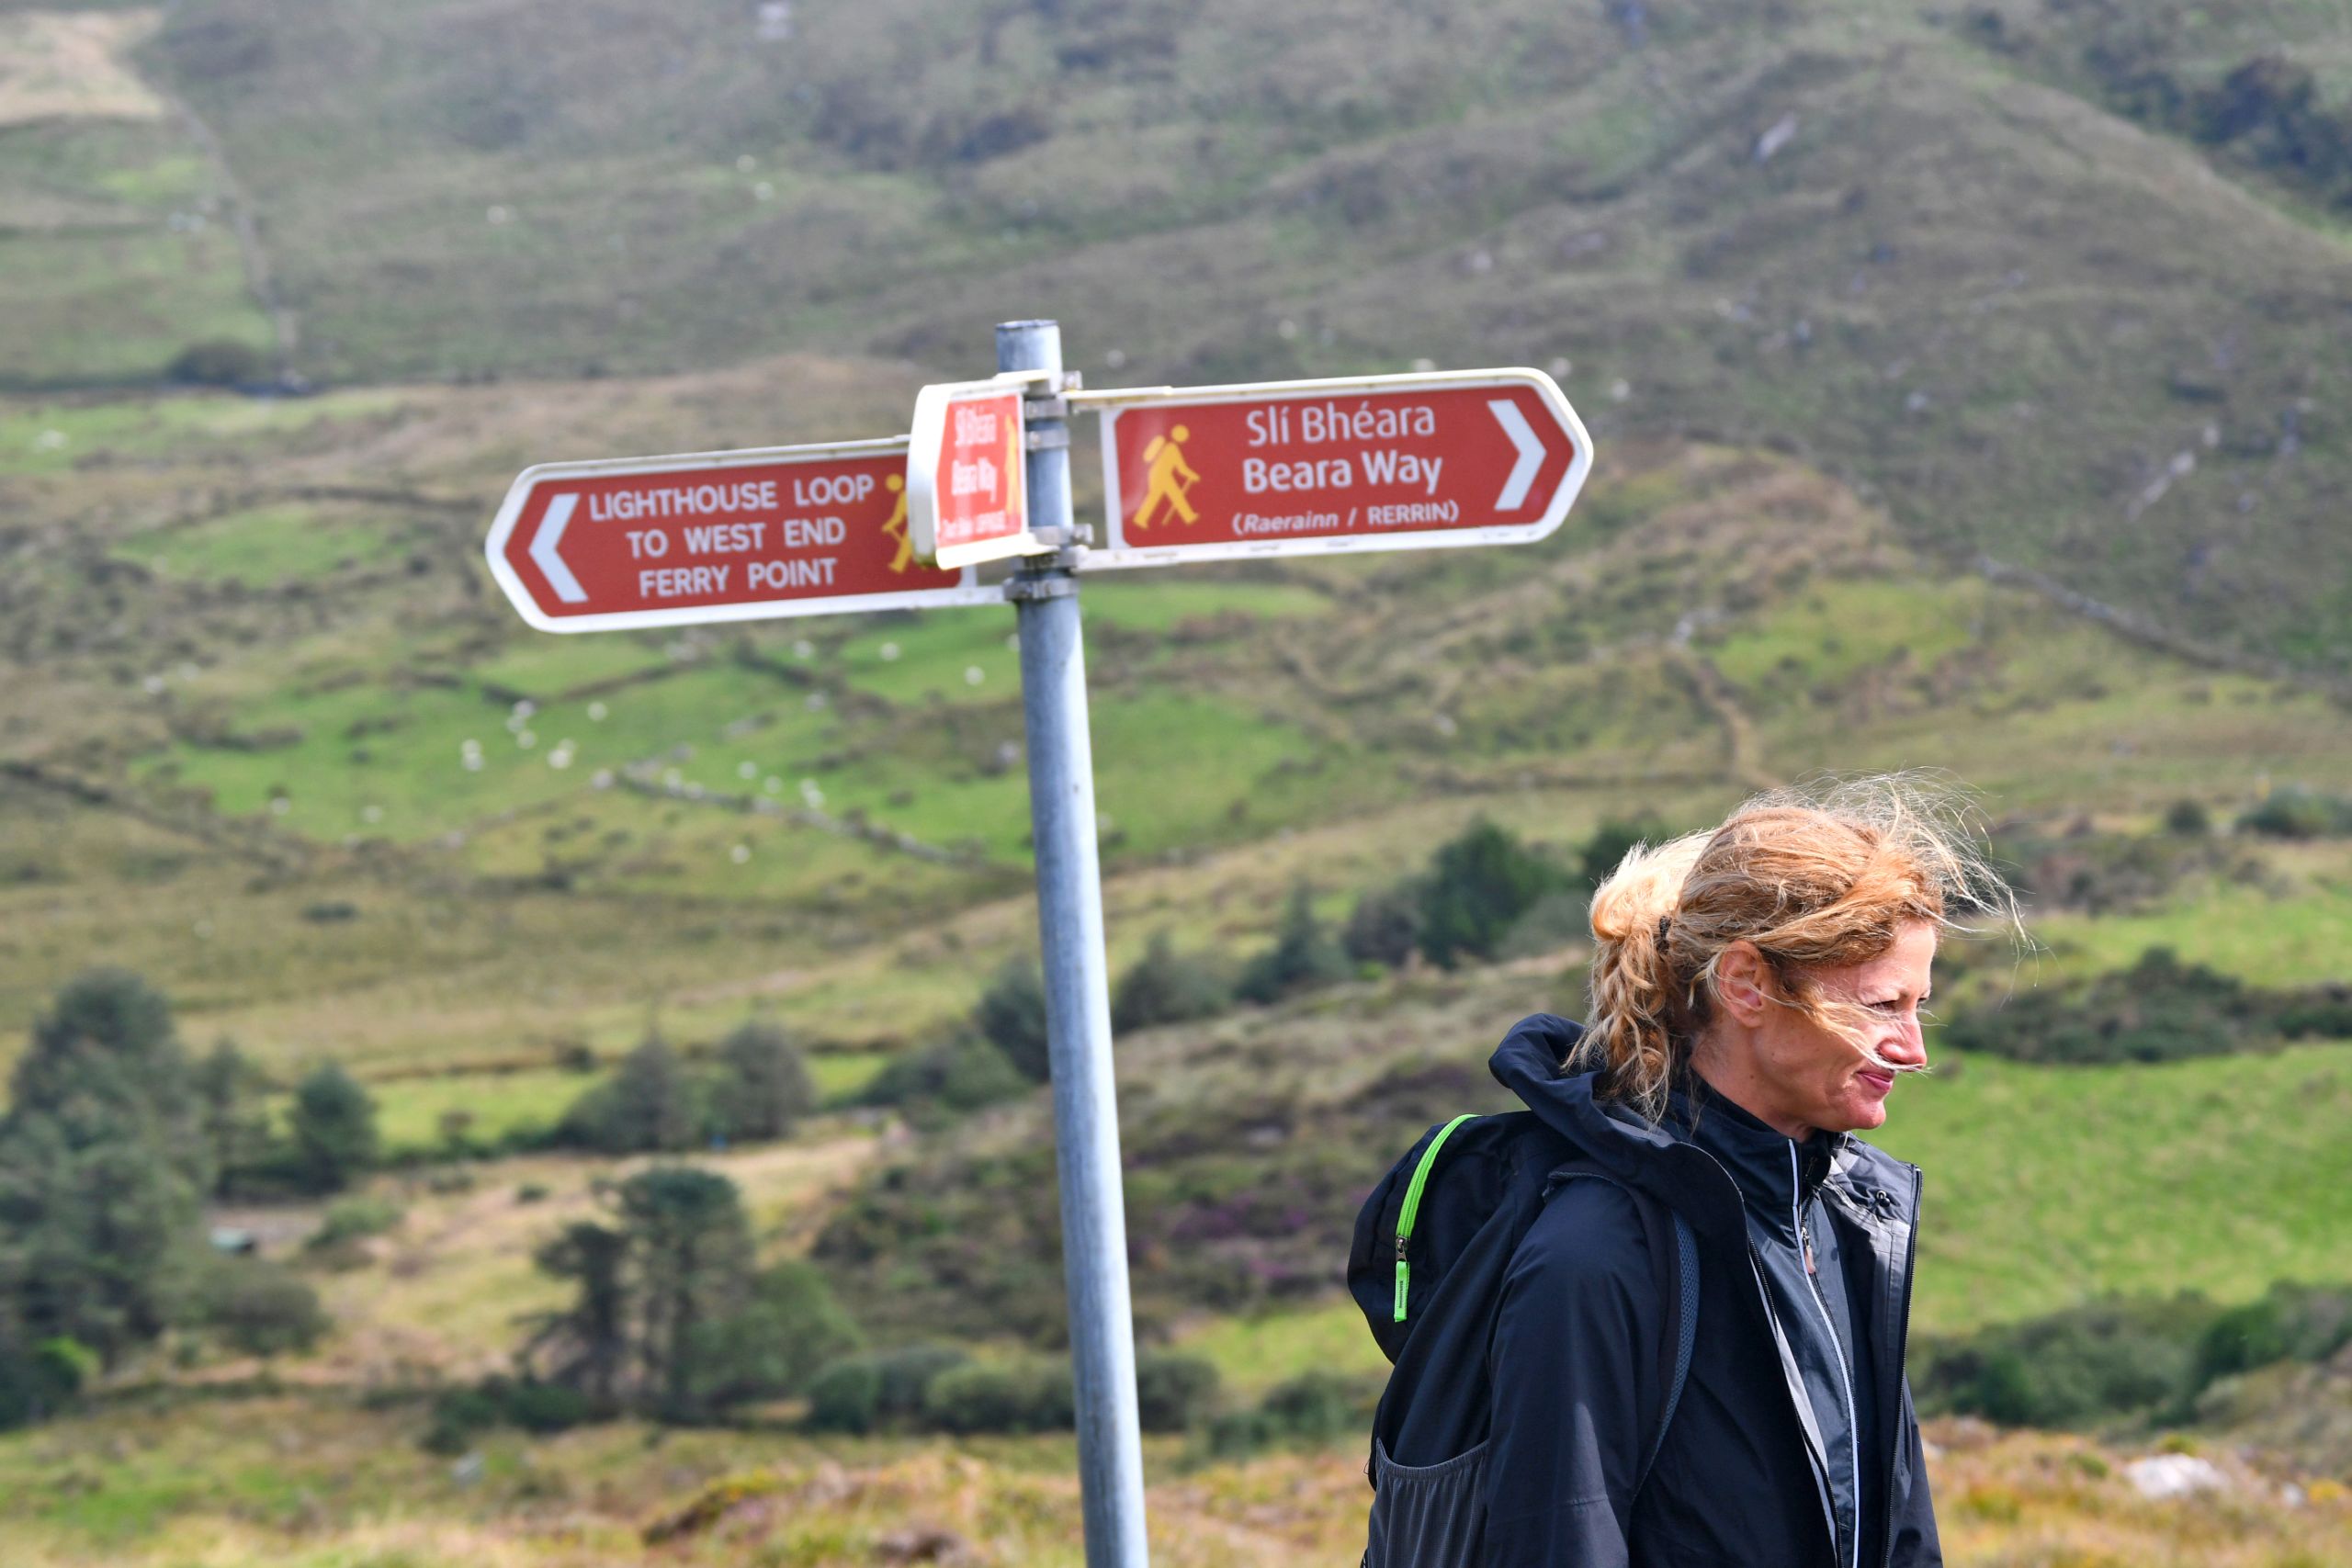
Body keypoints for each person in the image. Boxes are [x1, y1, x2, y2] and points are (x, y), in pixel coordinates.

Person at [1478, 780, 2014, 1566]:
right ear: (1746, 984)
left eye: (1917, 1005)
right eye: (1879, 1005)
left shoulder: (1843, 1218)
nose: (1913, 1048)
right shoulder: (1592, 1257)